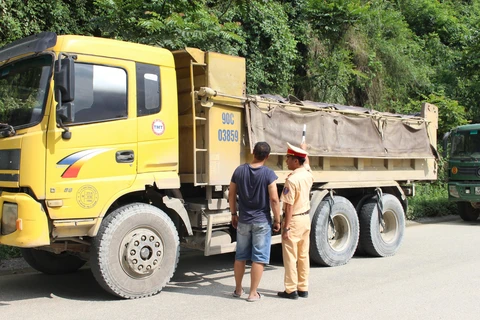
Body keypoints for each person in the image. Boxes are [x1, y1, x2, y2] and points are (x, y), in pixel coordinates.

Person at [229, 141, 281, 302]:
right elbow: (274, 199)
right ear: (268, 156)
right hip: (262, 222)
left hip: (244, 220)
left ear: (253, 152)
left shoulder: (239, 171)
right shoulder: (268, 174)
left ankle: (238, 289)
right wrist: (278, 220)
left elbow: (231, 194)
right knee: (258, 257)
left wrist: (233, 214)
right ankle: (253, 293)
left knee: (240, 256)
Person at [277, 142, 314, 300]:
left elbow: (289, 207)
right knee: (303, 255)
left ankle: (291, 290)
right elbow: (307, 165)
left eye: (289, 158)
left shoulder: (292, 180)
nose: (286, 161)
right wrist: (304, 151)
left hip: (294, 220)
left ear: (296, 162)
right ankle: (303, 287)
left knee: (291, 256)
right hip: (305, 218)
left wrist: (285, 228)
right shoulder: (307, 174)